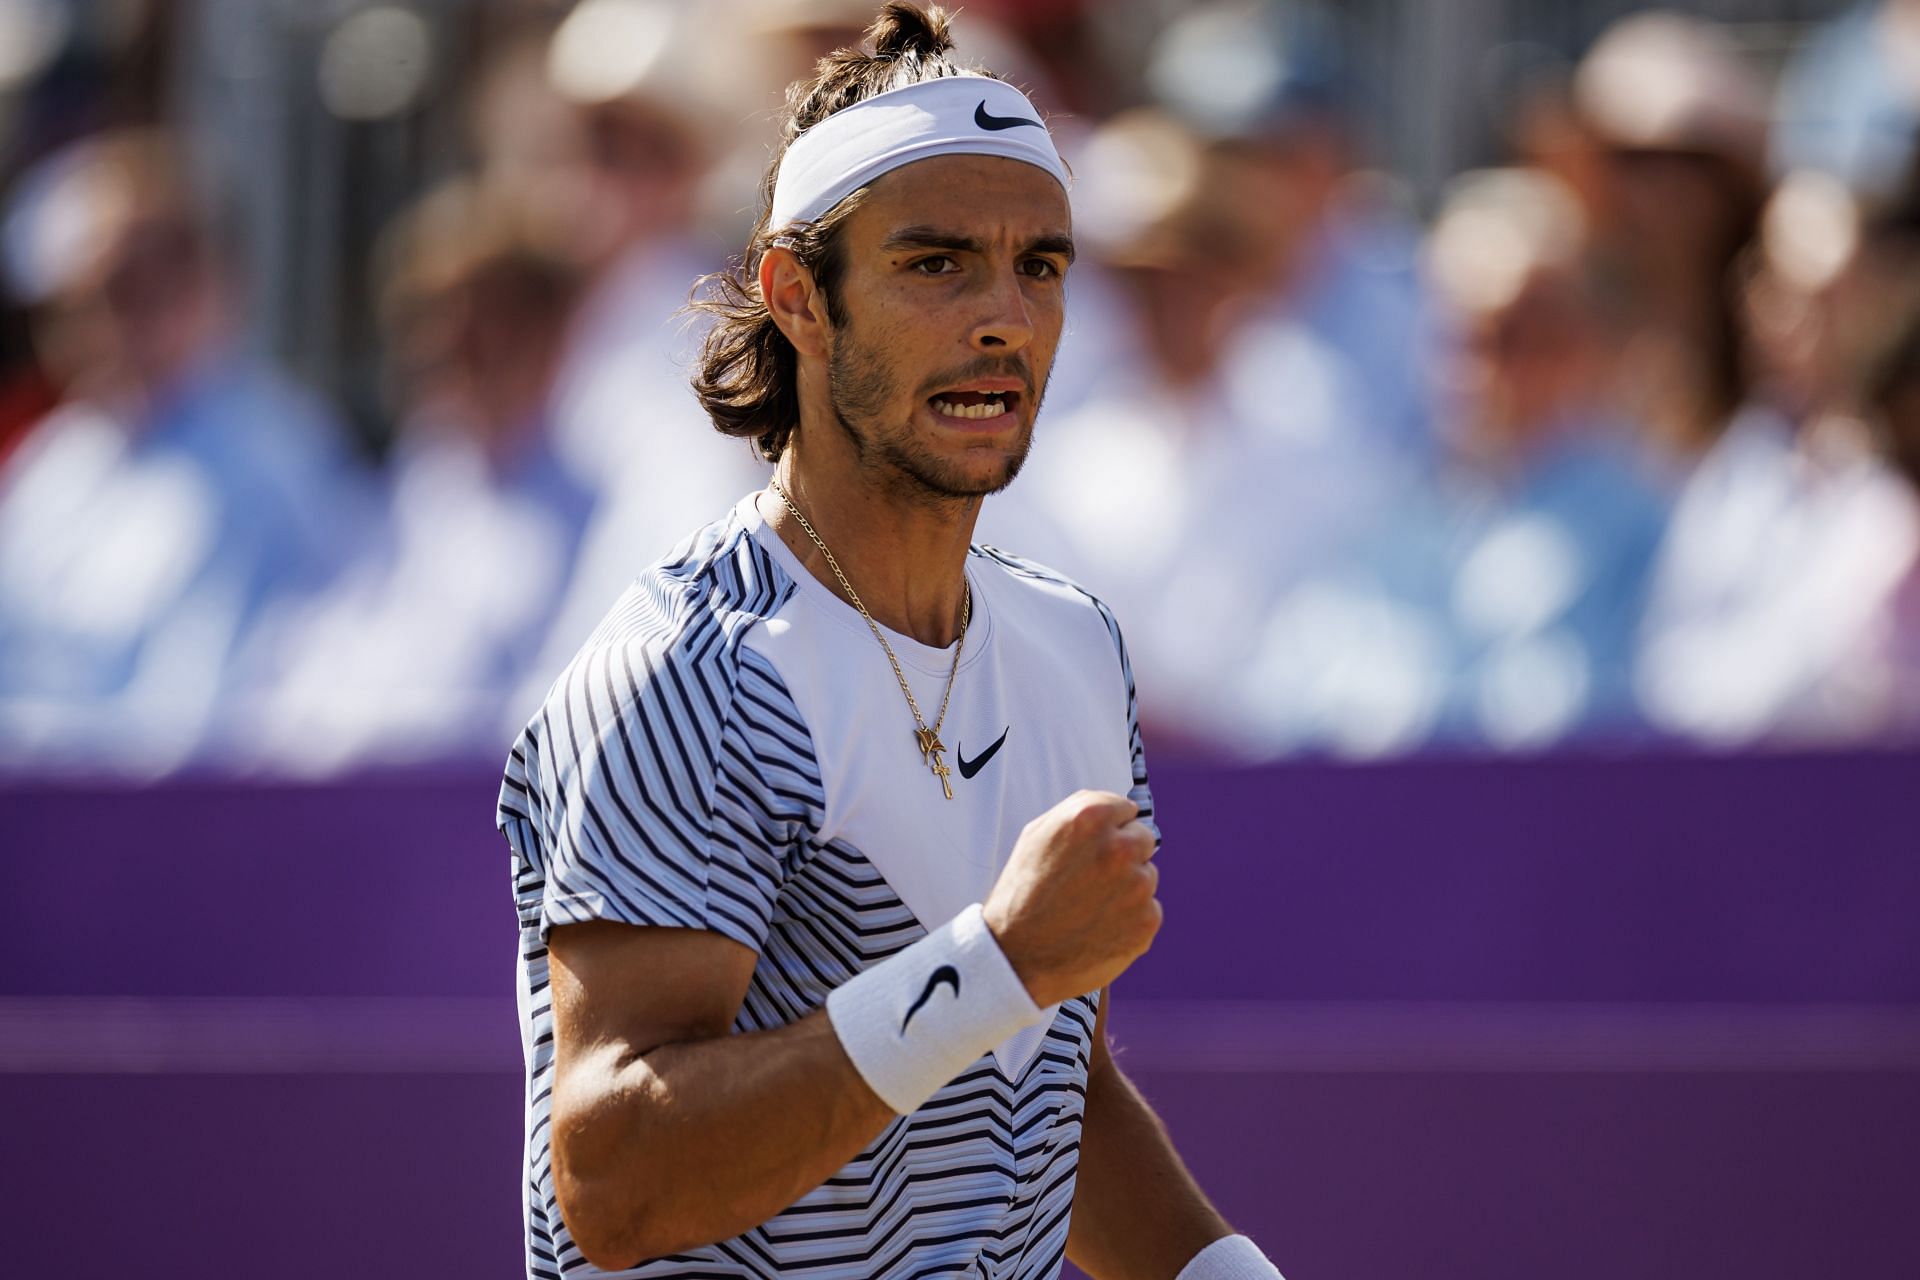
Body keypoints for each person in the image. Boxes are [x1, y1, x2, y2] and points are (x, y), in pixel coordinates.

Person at [495, 6, 1285, 1278]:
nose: (1004, 320)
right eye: (936, 264)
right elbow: (617, 1178)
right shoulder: (685, 673)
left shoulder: (1075, 647)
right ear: (797, 296)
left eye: (1040, 265)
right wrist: (994, 965)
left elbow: (1036, 1091)